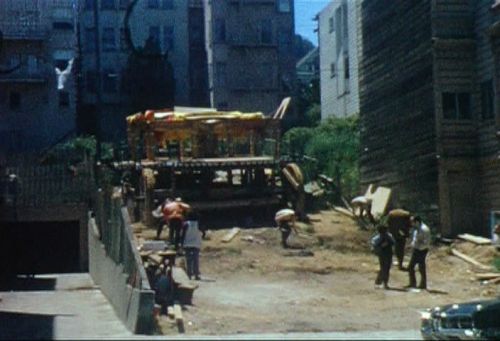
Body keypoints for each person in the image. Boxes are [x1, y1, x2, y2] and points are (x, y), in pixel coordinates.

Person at [407, 215, 431, 290]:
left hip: (421, 250)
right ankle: (416, 283)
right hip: (416, 249)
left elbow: (426, 243)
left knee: (415, 267)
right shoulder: (416, 229)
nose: (411, 224)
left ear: (416, 222)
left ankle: (419, 284)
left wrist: (418, 248)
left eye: (412, 222)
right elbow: (415, 239)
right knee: (417, 267)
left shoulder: (424, 229)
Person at [371, 224, 395, 289]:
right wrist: (381, 246)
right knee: (384, 269)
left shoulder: (389, 236)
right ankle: (382, 282)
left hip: (388, 254)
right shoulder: (378, 238)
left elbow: (393, 242)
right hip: (382, 255)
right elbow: (373, 246)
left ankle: (382, 282)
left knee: (386, 269)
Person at [183, 211, 202, 280]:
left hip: (187, 243)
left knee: (188, 260)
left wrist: (181, 243)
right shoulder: (199, 224)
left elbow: (183, 234)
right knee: (196, 260)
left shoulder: (186, 224)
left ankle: (189, 274)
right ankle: (196, 274)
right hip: (196, 244)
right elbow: (203, 231)